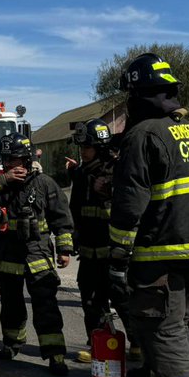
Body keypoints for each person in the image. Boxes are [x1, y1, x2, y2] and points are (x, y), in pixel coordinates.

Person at [109, 53, 189, 377]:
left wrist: (118, 257)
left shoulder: (143, 135)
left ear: (138, 94)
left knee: (160, 330)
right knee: (174, 324)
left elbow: (129, 204)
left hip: (160, 253)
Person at [0, 135, 75, 376]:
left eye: (14, 159)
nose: (9, 164)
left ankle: (55, 355)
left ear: (26, 159)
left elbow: (61, 218)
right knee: (11, 306)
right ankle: (11, 344)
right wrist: (4, 179)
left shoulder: (45, 183)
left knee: (46, 307)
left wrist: (65, 249)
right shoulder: (0, 183)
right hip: (7, 257)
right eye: (6, 160)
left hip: (37, 255)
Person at [67, 117, 130, 364]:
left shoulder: (117, 172)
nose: (82, 152)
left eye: (87, 148)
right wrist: (73, 236)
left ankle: (138, 345)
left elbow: (130, 209)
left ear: (100, 147)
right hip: (89, 251)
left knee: (123, 299)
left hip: (114, 252)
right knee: (92, 300)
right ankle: (98, 345)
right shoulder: (82, 174)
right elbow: (75, 208)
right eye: (81, 148)